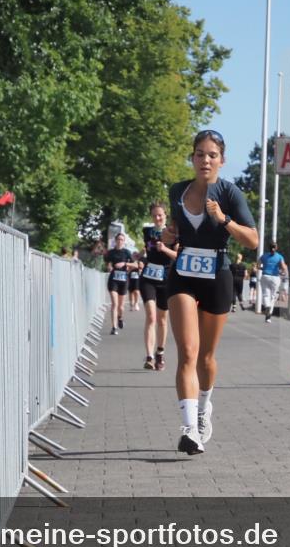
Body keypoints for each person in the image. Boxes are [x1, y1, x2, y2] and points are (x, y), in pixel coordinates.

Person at [162, 130, 258, 455]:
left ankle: (204, 409)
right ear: (192, 158)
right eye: (200, 154)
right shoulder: (178, 190)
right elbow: (174, 230)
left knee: (206, 357)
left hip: (217, 274)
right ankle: (189, 428)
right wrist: (168, 233)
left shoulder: (230, 193)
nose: (205, 160)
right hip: (183, 275)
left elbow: (253, 241)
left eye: (212, 155)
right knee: (187, 352)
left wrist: (224, 219)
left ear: (222, 160)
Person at [140, 203, 177, 370]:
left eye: (160, 215)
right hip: (148, 277)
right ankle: (148, 356)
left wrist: (164, 249)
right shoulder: (147, 232)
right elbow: (146, 250)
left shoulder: (173, 233)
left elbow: (178, 255)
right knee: (151, 316)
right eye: (154, 215)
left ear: (165, 215)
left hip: (166, 278)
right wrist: (139, 256)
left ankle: (159, 353)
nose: (157, 218)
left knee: (162, 319)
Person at [105, 232, 132, 335]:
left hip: (124, 281)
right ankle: (114, 327)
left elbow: (135, 264)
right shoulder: (111, 252)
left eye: (122, 240)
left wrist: (125, 264)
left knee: (121, 306)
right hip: (113, 280)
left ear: (124, 242)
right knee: (114, 304)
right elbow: (108, 263)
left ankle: (120, 318)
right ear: (115, 241)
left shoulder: (127, 252)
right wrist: (109, 267)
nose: (120, 241)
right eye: (118, 239)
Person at [258, 242, 288, 323]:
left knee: (265, 295)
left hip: (265, 276)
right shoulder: (279, 256)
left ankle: (267, 308)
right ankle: (269, 315)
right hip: (275, 277)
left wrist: (263, 268)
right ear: (276, 248)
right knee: (273, 296)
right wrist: (282, 272)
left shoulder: (263, 256)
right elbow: (284, 267)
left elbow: (258, 266)